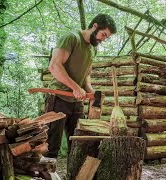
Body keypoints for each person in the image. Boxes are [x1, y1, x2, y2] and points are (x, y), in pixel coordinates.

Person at [44, 14, 117, 158]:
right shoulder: (71, 38)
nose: (103, 39)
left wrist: (91, 92)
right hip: (58, 98)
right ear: (95, 26)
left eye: (106, 37)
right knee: (51, 146)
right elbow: (54, 66)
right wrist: (75, 87)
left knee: (78, 146)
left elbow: (86, 75)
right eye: (103, 34)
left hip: (76, 102)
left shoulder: (92, 49)